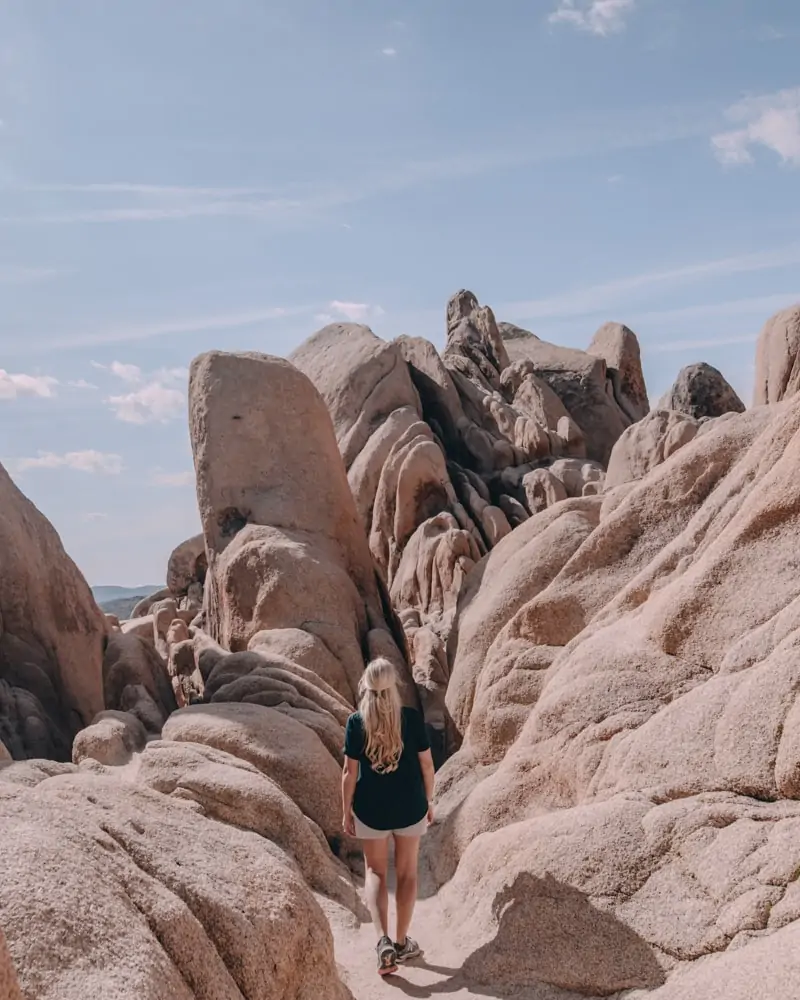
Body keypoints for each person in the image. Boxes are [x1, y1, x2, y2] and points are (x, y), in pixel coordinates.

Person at [341, 657, 435, 977]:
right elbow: (426, 766)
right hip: (410, 805)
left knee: (375, 872)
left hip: (371, 809)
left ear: (365, 686)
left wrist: (346, 811)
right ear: (394, 686)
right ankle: (400, 943)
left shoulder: (356, 722)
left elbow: (348, 773)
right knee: (407, 873)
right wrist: (430, 800)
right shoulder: (410, 718)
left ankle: (381, 942)